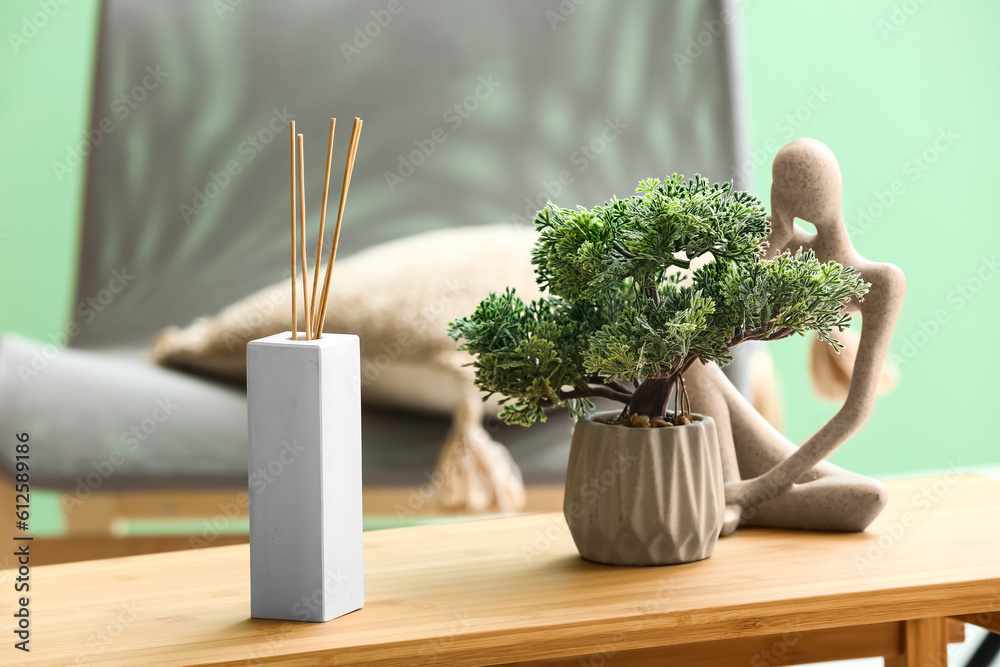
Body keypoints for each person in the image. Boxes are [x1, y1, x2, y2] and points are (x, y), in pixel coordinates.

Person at [684, 138, 906, 536]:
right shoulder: (781, 251)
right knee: (693, 359)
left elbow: (856, 411)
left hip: (776, 468)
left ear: (836, 188)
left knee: (867, 497)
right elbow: (712, 321)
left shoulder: (881, 282)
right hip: (732, 424)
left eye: (809, 185)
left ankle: (734, 498)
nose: (802, 195)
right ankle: (730, 492)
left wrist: (769, 483)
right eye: (787, 188)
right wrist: (778, 232)